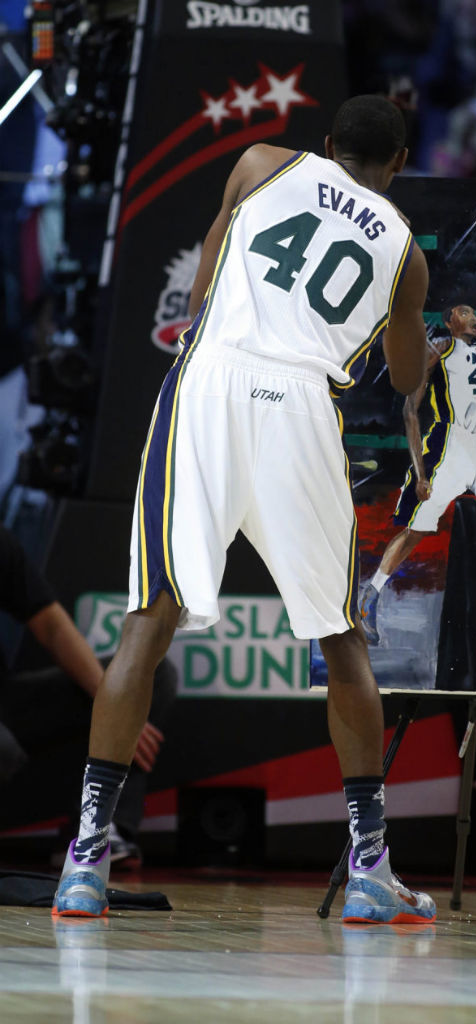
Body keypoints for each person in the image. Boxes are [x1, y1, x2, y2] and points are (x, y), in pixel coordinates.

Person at [53, 95, 436, 925]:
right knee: (341, 640)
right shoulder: (406, 250)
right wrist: (429, 342)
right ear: (400, 163)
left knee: (148, 622)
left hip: (212, 385)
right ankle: (369, 868)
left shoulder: (264, 162)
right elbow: (406, 380)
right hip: (302, 409)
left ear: (327, 145)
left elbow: (202, 288)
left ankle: (85, 858)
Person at [0, 523, 175, 869]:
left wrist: (116, 708)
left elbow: (51, 626)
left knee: (147, 678)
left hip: (7, 703)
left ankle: (97, 835)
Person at [359, 299, 476, 644]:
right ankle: (371, 594)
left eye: (475, 311)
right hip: (448, 443)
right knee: (416, 531)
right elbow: (409, 410)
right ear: (449, 322)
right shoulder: (442, 347)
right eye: (464, 312)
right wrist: (420, 474)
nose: (474, 316)